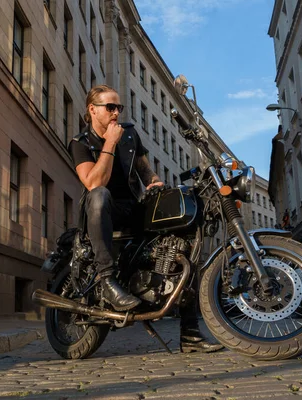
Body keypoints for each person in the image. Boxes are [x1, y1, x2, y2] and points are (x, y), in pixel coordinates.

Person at [69, 84, 223, 353]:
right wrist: (110, 143)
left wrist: (154, 183)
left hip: (133, 207)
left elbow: (144, 170)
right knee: (100, 195)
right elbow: (94, 183)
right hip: (103, 213)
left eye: (119, 107)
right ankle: (107, 281)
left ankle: (190, 333)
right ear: (92, 110)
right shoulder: (80, 144)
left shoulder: (129, 135)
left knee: (184, 240)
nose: (116, 113)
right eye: (110, 107)